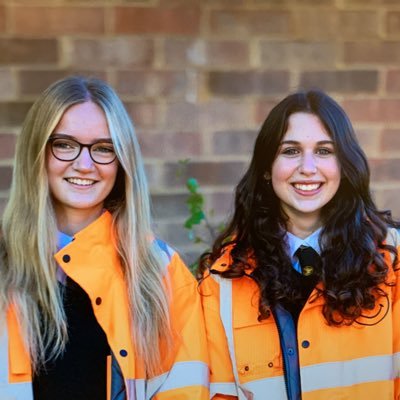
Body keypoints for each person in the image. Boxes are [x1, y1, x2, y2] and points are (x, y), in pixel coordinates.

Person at [0, 76, 209, 399]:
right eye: (65, 144)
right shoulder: (4, 265)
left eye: (103, 149)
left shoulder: (161, 272)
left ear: (122, 161)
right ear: (37, 151)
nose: (84, 165)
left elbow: (187, 391)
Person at [198, 90, 400, 400]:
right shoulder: (222, 279)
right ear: (267, 168)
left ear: (345, 165)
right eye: (290, 151)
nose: (307, 167)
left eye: (324, 151)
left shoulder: (392, 260)